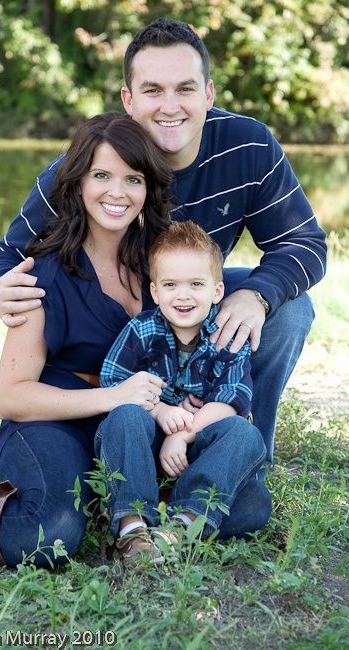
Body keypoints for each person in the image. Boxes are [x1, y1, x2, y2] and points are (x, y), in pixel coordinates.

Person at [0, 18, 326, 473]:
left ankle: (241, 452)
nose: (170, 107)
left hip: (186, 295)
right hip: (122, 317)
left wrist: (256, 295)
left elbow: (305, 243)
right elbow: (6, 252)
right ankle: (129, 441)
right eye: (152, 90)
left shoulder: (250, 147)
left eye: (185, 89)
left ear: (208, 94)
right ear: (128, 99)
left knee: (291, 310)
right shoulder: (94, 165)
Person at [0, 112, 172, 567]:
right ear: (78, 183)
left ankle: (116, 508)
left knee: (239, 510)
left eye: (133, 179)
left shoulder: (161, 263)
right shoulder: (42, 271)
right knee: (51, 533)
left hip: (134, 421)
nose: (117, 192)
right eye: (101, 175)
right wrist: (114, 396)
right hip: (51, 417)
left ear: (148, 189)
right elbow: (12, 396)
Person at [96, 221, 268, 562]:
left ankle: (179, 525)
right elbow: (113, 383)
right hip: (142, 452)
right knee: (125, 415)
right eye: (171, 285)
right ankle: (133, 527)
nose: (183, 295)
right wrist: (160, 411)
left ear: (216, 291)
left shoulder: (227, 335)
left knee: (246, 442)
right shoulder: (142, 329)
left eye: (195, 284)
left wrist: (184, 435)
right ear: (156, 291)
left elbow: (232, 400)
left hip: (199, 458)